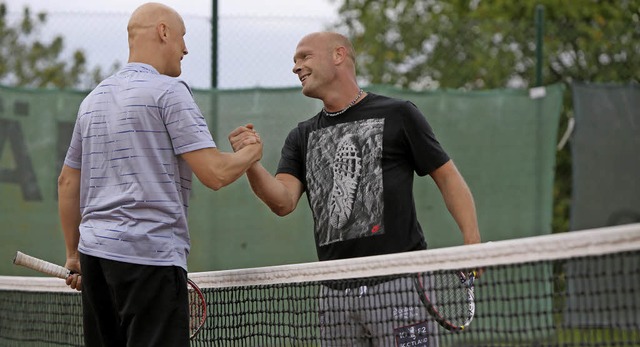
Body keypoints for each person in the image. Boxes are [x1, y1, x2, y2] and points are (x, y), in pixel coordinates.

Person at [228, 32, 481, 346]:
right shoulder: (301, 136)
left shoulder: (399, 114)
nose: (296, 67)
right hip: (334, 295)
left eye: (304, 56)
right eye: (294, 60)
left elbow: (447, 178)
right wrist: (250, 162)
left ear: (338, 55)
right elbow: (282, 201)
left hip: (400, 283)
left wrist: (473, 243)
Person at [57, 3, 262, 346]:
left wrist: (74, 255)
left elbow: (67, 182)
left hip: (95, 261)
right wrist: (251, 152)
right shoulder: (170, 92)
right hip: (149, 258)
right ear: (163, 32)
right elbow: (215, 174)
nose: (185, 49)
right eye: (182, 37)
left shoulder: (92, 100)